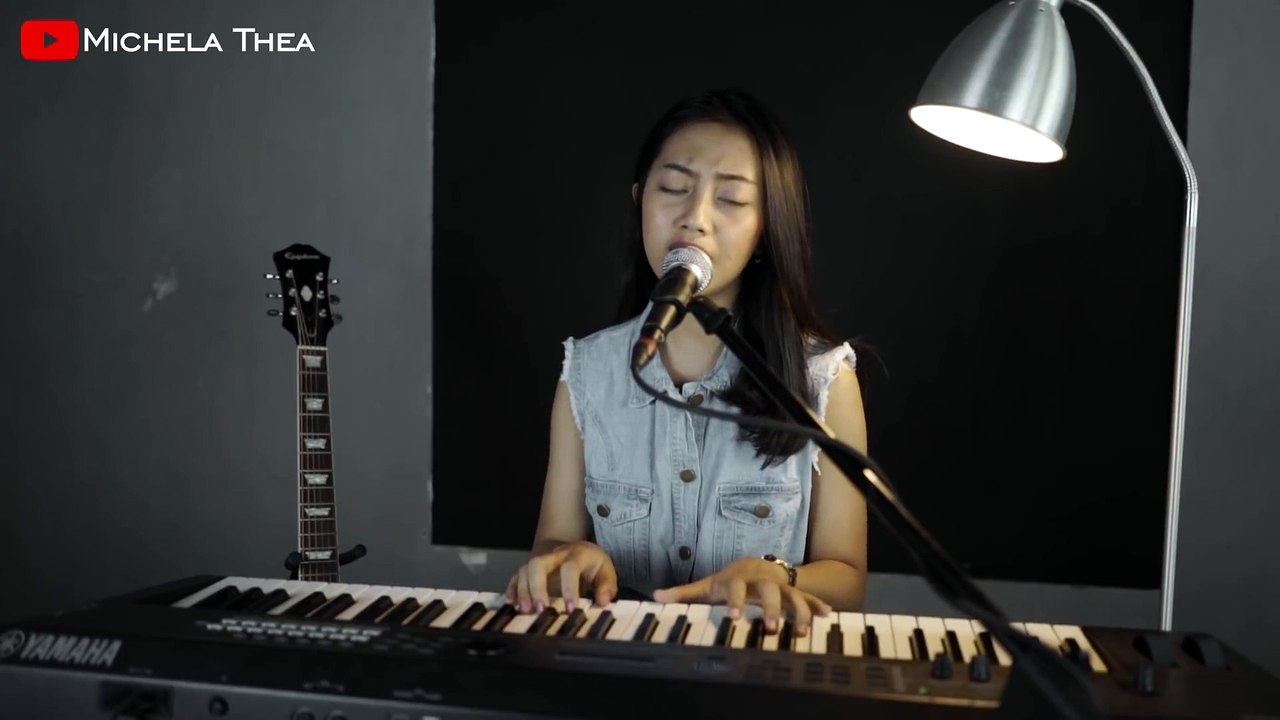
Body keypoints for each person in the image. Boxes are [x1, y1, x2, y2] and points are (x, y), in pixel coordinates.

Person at [505, 88, 868, 639]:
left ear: (766, 229)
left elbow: (847, 579)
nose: (694, 218)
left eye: (731, 199)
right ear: (640, 202)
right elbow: (551, 546)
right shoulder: (586, 372)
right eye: (674, 189)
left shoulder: (824, 379)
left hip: (756, 662)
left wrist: (779, 575)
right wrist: (571, 559)